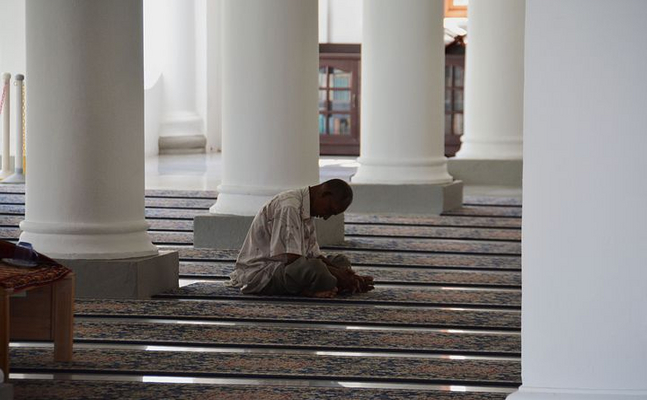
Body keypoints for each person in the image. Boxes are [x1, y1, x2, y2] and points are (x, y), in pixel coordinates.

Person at [227, 179, 374, 298]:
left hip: (290, 267)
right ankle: (311, 290)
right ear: (325, 193)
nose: (326, 217)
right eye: (329, 210)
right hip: (262, 272)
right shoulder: (289, 207)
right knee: (317, 270)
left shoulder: (308, 208)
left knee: (341, 262)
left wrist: (346, 274)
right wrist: (340, 275)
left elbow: (314, 255)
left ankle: (328, 285)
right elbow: (292, 259)